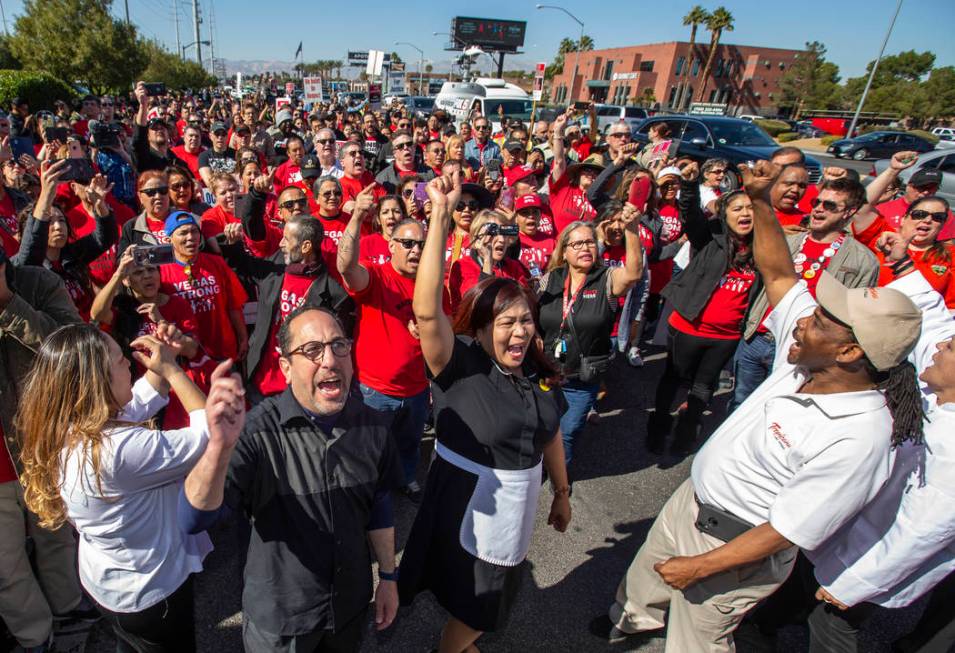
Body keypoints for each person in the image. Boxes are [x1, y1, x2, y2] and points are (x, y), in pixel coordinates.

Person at [597, 160, 926, 652]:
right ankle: (631, 620)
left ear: (851, 351)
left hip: (731, 550)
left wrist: (700, 566)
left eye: (821, 320)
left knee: (698, 639)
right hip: (691, 504)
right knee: (644, 582)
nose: (801, 319)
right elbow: (777, 273)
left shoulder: (861, 435)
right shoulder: (809, 362)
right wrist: (761, 201)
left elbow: (788, 530)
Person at [399, 174, 571, 653]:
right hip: (464, 511)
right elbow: (428, 311)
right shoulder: (460, 366)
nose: (520, 332)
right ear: (480, 327)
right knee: (476, 608)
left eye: (526, 321)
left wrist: (561, 492)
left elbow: (550, 433)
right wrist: (439, 215)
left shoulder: (534, 373)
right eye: (506, 322)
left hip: (515, 515)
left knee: (480, 602)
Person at [180, 305, 403, 651]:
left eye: (338, 345)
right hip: (283, 624)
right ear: (285, 367)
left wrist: (387, 576)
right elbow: (193, 519)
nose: (329, 360)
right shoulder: (256, 432)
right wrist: (218, 450)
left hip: (349, 609)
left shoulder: (373, 426)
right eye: (312, 350)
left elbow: (380, 504)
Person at [18, 324, 242, 652]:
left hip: (108, 585)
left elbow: (137, 401)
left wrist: (164, 359)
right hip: (151, 592)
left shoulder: (67, 427)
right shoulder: (117, 452)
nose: (129, 363)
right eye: (121, 360)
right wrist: (174, 371)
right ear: (97, 383)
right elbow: (208, 433)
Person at [731, 177, 880, 410]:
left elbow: (854, 316)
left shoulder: (863, 260)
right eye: (816, 202)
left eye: (830, 205)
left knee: (781, 407)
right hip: (758, 337)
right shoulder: (788, 242)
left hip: (802, 347)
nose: (819, 209)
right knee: (741, 402)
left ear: (849, 212)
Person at [0, 251, 85, 653]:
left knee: (55, 536)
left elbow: (71, 348)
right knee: (6, 565)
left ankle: (69, 611)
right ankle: (36, 638)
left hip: (38, 442)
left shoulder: (37, 283)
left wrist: (9, 304)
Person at [646, 163, 756, 455]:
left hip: (726, 336)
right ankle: (658, 427)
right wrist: (691, 184)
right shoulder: (709, 238)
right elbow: (690, 213)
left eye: (749, 208)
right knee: (673, 378)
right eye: (737, 209)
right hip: (689, 328)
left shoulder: (762, 249)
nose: (745, 214)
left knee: (704, 386)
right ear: (723, 215)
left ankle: (686, 433)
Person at [337, 185, 432, 501]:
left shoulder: (432, 284)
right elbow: (346, 267)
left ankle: (405, 478)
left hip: (417, 388)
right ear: (391, 245)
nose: (415, 249)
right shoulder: (376, 277)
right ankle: (368, 493)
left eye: (421, 243)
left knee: (408, 444)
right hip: (375, 392)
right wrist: (356, 217)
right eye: (407, 243)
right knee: (370, 451)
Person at [537, 210, 644, 466]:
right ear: (563, 251)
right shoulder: (550, 279)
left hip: (581, 379)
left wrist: (631, 230)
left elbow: (633, 274)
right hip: (546, 373)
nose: (585, 247)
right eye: (577, 243)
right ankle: (536, 470)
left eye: (589, 242)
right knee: (541, 429)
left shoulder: (607, 278)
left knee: (567, 433)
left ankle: (560, 481)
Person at [225, 212, 351, 400]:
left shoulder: (333, 294)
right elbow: (242, 265)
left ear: (306, 246)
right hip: (260, 381)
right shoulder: (276, 269)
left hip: (302, 388)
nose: (281, 244)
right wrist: (233, 244)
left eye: (286, 239)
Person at [15, 167, 116, 321]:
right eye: (49, 222)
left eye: (61, 220)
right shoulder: (27, 265)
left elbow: (105, 238)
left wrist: (99, 204)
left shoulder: (71, 254)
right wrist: (46, 196)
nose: (58, 227)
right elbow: (32, 245)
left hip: (91, 331)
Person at [158, 211, 248, 362]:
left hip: (223, 353)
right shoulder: (161, 272)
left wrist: (243, 338)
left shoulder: (216, 263)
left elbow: (234, 306)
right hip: (186, 357)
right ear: (169, 239)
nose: (190, 238)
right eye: (183, 233)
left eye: (194, 231)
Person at [448, 210, 530, 313]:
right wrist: (488, 261)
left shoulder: (513, 266)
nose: (501, 239)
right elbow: (477, 305)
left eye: (504, 233)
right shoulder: (462, 266)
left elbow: (526, 301)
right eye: (493, 233)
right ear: (477, 238)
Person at [864, 152, 955, 239]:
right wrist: (893, 170)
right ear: (909, 186)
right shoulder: (883, 209)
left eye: (932, 188)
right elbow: (864, 205)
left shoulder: (942, 215)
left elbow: (947, 246)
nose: (926, 192)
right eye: (922, 187)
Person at [548, 112, 600, 234]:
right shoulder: (563, 188)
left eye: (596, 172)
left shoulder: (600, 201)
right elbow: (559, 161)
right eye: (587, 170)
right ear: (578, 173)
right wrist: (558, 131)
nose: (591, 174)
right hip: (558, 249)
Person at [118, 171, 176, 258]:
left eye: (163, 190)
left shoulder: (185, 219)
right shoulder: (131, 227)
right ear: (140, 196)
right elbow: (121, 261)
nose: (158, 196)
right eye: (151, 192)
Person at [131, 83, 185, 173]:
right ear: (147, 134)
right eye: (154, 128)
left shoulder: (176, 160)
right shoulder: (144, 157)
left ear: (168, 133)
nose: (159, 129)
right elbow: (138, 138)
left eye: (163, 126)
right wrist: (143, 105)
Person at [514, 193, 555, 278]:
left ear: (540, 216)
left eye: (535, 212)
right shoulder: (511, 241)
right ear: (516, 218)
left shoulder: (551, 241)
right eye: (525, 213)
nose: (531, 216)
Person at [359, 194, 406, 265]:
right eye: (385, 212)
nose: (391, 216)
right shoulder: (366, 243)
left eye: (396, 211)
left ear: (403, 217)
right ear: (378, 219)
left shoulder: (411, 245)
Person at [770, 164, 810, 229]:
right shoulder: (753, 212)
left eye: (802, 186)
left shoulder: (808, 221)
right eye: (789, 183)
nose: (795, 190)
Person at [197, 123, 236, 188]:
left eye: (223, 134)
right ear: (210, 136)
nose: (220, 137)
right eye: (217, 134)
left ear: (227, 136)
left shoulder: (236, 154)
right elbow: (209, 182)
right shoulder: (204, 156)